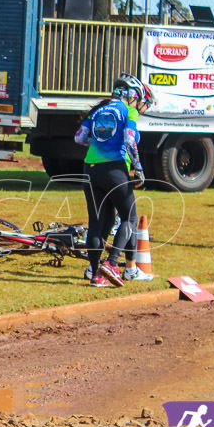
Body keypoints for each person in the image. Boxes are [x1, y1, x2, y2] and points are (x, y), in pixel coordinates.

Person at [74, 73, 146, 287]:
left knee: (97, 223)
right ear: (131, 95)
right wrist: (138, 167)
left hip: (90, 167)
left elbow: (79, 137)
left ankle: (95, 275)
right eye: (137, 97)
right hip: (114, 168)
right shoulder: (129, 111)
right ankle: (113, 262)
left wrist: (98, 143)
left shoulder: (98, 110)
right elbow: (130, 139)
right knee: (130, 217)